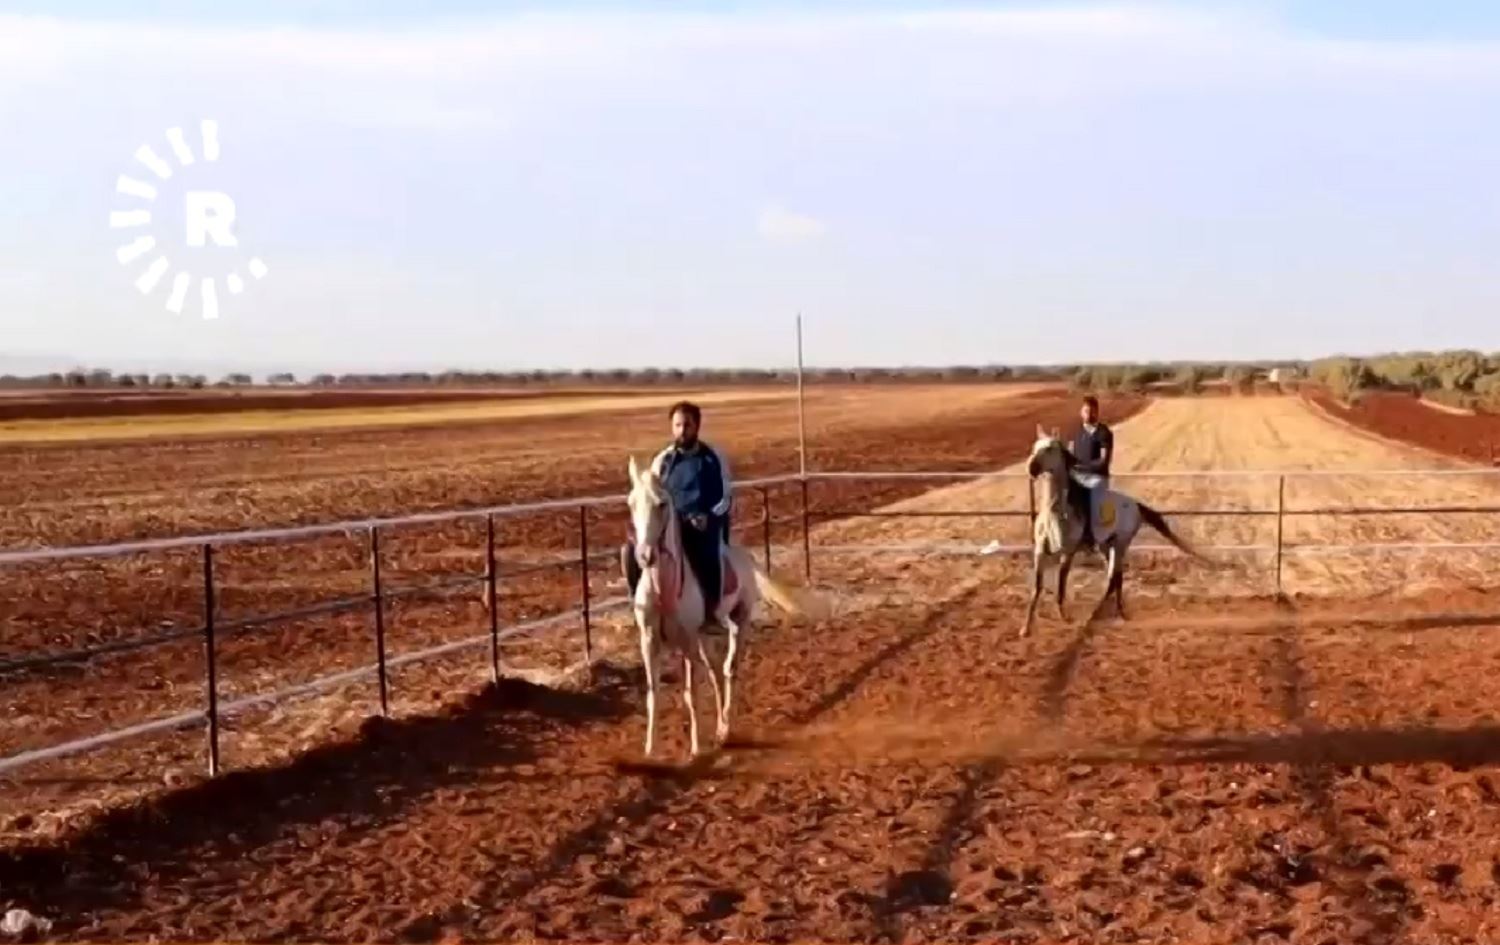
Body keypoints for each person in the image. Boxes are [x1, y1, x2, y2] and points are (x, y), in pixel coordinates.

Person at [622, 400, 734, 629]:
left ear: (697, 427)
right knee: (629, 552)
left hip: (703, 526)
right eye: (678, 425)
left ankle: (711, 615)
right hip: (669, 526)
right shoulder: (663, 460)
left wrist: (709, 518)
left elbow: (726, 498)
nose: (682, 431)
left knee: (706, 556)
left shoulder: (713, 457)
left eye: (687, 425)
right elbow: (651, 494)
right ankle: (636, 602)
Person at [1069, 394, 1114, 546]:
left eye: (1092, 411)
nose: (1089, 414)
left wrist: (1082, 467)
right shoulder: (1076, 433)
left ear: (1097, 412)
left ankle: (1089, 536)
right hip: (1079, 476)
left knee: (1091, 496)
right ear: (1081, 412)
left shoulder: (1104, 433)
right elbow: (1071, 455)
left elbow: (1104, 461)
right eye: (1086, 411)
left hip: (1097, 477)